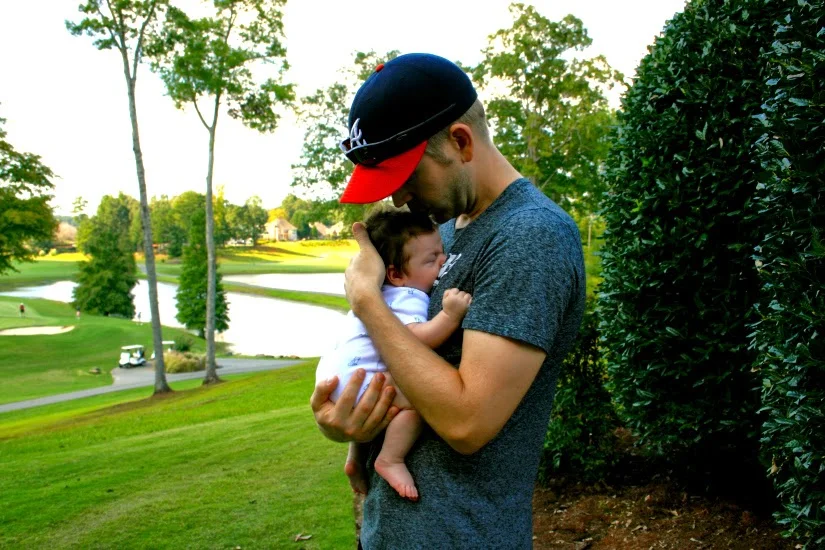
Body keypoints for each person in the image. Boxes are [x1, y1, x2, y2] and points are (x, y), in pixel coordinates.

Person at [309, 53, 586, 548]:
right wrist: (345, 421)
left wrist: (367, 300)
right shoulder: (442, 233)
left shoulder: (531, 235)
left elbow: (466, 420)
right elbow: (396, 364)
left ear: (460, 142)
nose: (398, 198)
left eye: (407, 176)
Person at [316, 207, 472, 501]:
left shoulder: (381, 292)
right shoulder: (409, 295)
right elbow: (413, 339)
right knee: (420, 397)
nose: (443, 260)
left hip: (339, 377)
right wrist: (450, 316)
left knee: (379, 395)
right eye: (431, 259)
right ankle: (390, 458)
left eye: (442, 252)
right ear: (396, 274)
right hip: (357, 380)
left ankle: (355, 457)